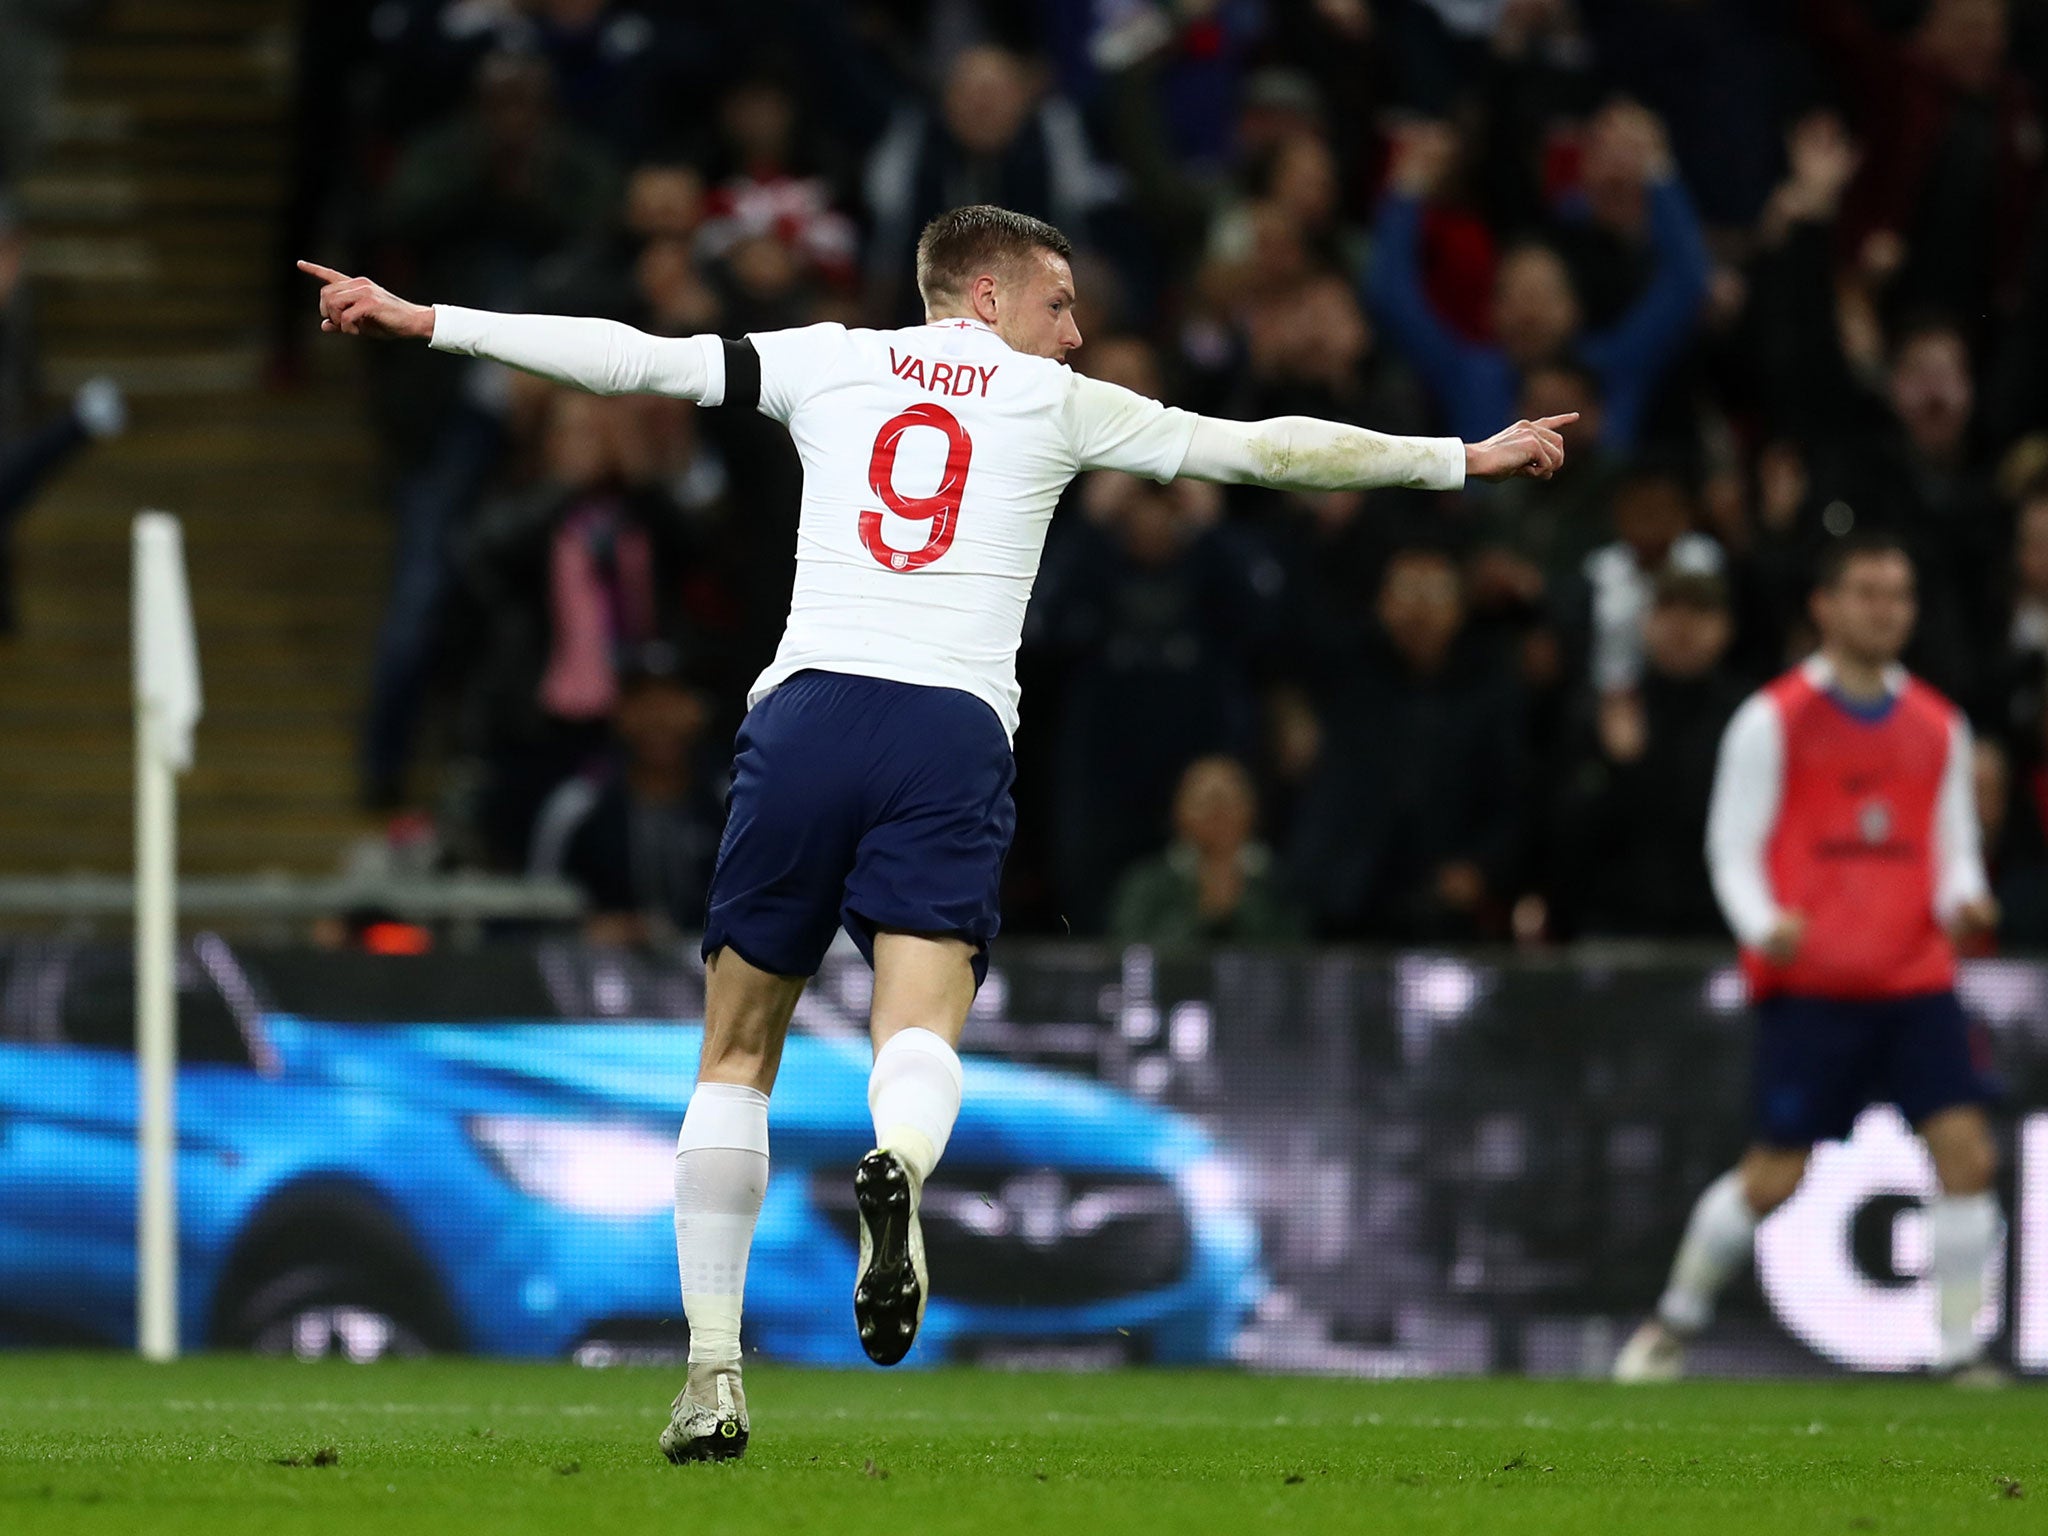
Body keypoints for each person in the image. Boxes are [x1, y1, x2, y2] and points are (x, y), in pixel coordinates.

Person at [299, 205, 1573, 1459]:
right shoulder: (1056, 407)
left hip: (805, 716)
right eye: (1058, 305)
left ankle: (710, 1373)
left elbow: (632, 355)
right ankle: (898, 1159)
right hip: (947, 731)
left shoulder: (824, 358)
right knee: (917, 1023)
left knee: (736, 1052)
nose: (1074, 336)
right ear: (982, 298)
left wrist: (427, 322)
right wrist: (1459, 456)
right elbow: (1264, 452)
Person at [1614, 532, 2006, 1384]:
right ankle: (1670, 1326)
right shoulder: (1773, 717)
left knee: (1966, 1154)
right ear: (1824, 606)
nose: (1884, 610)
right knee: (1774, 1174)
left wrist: (1964, 903)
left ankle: (1957, 1354)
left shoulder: (1940, 723)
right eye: (1867, 592)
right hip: (1815, 987)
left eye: (1898, 595)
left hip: (1915, 981)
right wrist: (1762, 926)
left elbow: (1954, 850)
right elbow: (1731, 847)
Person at [1109, 755, 1304, 945]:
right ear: (1178, 812)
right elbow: (1130, 956)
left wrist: (1238, 908)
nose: (1218, 815)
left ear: (1253, 811)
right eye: (1206, 804)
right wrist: (1205, 914)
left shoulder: (1279, 880)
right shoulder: (1146, 882)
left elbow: (1297, 956)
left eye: (1228, 803)